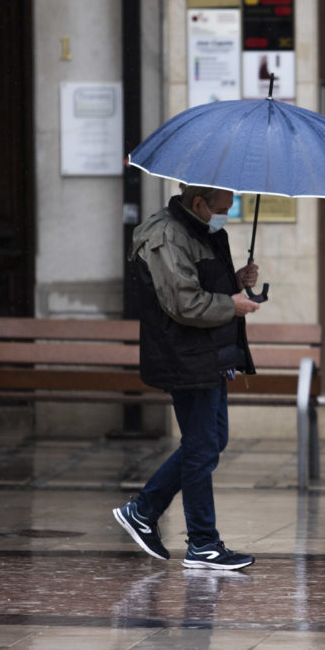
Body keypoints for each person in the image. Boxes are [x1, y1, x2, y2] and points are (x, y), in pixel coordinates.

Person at [113, 184, 260, 570]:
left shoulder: (200, 230)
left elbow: (202, 285)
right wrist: (232, 304)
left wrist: (237, 281)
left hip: (208, 354)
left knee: (211, 441)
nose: (226, 214)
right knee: (201, 446)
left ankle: (143, 511)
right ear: (198, 203)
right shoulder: (164, 236)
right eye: (223, 207)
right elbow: (183, 303)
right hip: (184, 355)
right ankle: (202, 543)